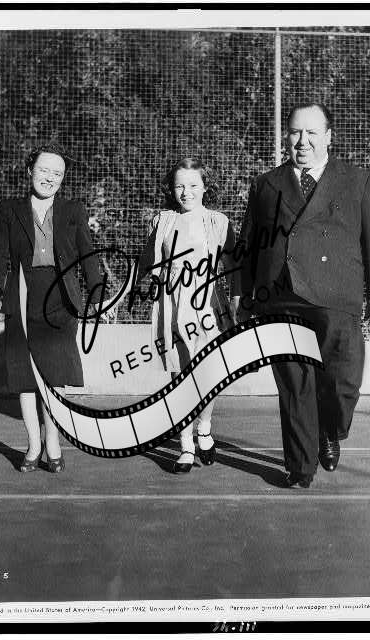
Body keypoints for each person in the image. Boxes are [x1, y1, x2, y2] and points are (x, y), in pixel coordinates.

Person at [237, 102, 370, 488]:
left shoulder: (357, 180)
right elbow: (248, 245)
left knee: (343, 381)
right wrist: (242, 295)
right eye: (295, 132)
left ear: (328, 137)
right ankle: (301, 465)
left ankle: (329, 429)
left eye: (311, 133)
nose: (302, 141)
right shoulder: (265, 185)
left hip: (336, 295)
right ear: (286, 136)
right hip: (280, 295)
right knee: (294, 384)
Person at [0, 143, 104, 473]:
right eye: (44, 170)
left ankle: (53, 443)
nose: (50, 178)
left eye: (57, 173)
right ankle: (33, 445)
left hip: (60, 299)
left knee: (55, 378)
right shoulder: (9, 209)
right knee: (25, 378)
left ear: (62, 179)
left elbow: (87, 254)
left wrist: (97, 295)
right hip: (22, 297)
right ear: (29, 171)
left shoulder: (73, 210)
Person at [138, 158, 240, 473]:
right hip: (172, 303)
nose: (186, 192)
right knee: (180, 375)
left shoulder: (219, 222)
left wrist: (238, 300)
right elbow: (146, 262)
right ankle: (185, 445)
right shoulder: (163, 221)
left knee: (207, 374)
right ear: (172, 189)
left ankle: (204, 430)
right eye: (180, 186)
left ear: (205, 186)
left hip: (208, 303)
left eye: (193, 185)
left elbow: (235, 266)